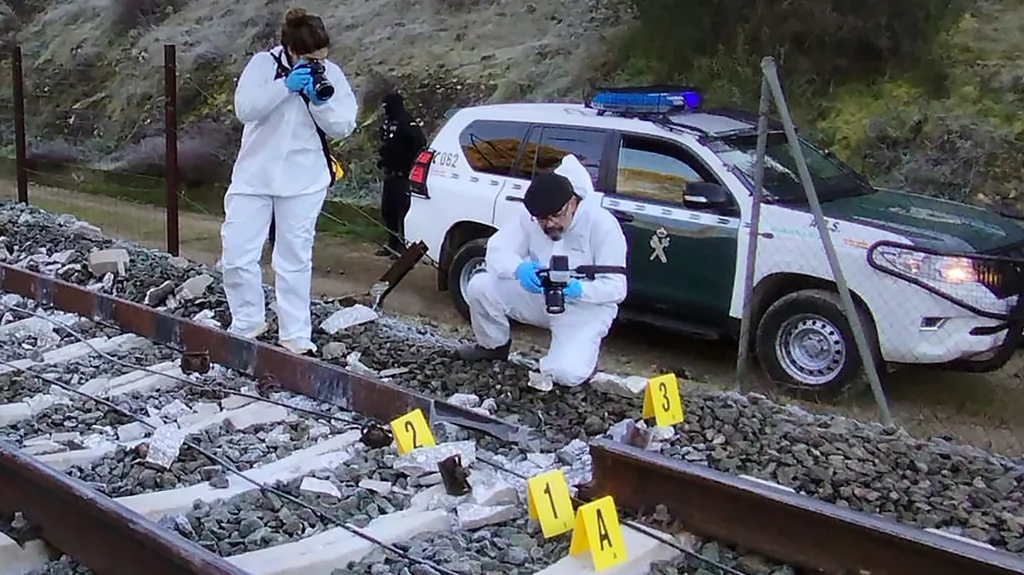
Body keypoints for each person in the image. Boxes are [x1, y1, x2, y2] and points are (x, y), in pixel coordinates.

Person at [219, 7, 358, 355]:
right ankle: (248, 320)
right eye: (310, 59)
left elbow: (342, 126)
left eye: (322, 58)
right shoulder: (262, 66)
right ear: (292, 51)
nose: (317, 64)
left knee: (293, 258)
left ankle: (296, 335)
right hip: (254, 176)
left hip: (304, 179)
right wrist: (286, 86)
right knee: (237, 254)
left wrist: (317, 100)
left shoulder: (332, 75)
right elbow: (245, 108)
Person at [456, 155, 629, 387]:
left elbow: (617, 289)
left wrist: (578, 289)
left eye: (555, 216)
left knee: (564, 374)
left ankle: (581, 358)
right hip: (540, 296)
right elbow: (497, 250)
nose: (548, 224)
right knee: (479, 286)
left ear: (572, 203)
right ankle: (493, 346)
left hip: (584, 308)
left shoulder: (602, 225)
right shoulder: (531, 219)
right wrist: (519, 269)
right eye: (541, 219)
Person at [375, 91, 427, 258]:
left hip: (403, 175)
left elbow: (420, 144)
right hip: (390, 173)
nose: (385, 110)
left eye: (387, 106)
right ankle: (392, 244)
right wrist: (385, 159)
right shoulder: (389, 122)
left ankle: (403, 247)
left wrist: (407, 163)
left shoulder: (407, 123)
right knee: (388, 211)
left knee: (401, 212)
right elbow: (387, 144)